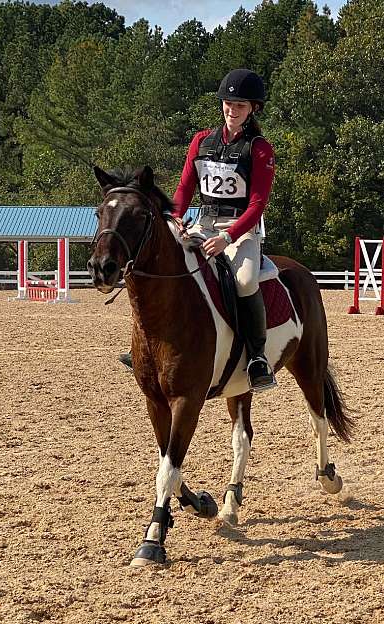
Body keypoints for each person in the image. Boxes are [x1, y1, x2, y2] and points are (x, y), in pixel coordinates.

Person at [120, 68, 276, 393]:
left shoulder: (260, 149)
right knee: (163, 262)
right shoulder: (201, 141)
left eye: (241, 106)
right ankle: (146, 348)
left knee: (245, 281)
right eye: (229, 104)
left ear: (252, 110)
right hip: (202, 223)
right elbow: (184, 187)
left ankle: (257, 357)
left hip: (239, 230)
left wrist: (228, 238)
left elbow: (258, 203)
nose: (232, 110)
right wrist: (175, 217)